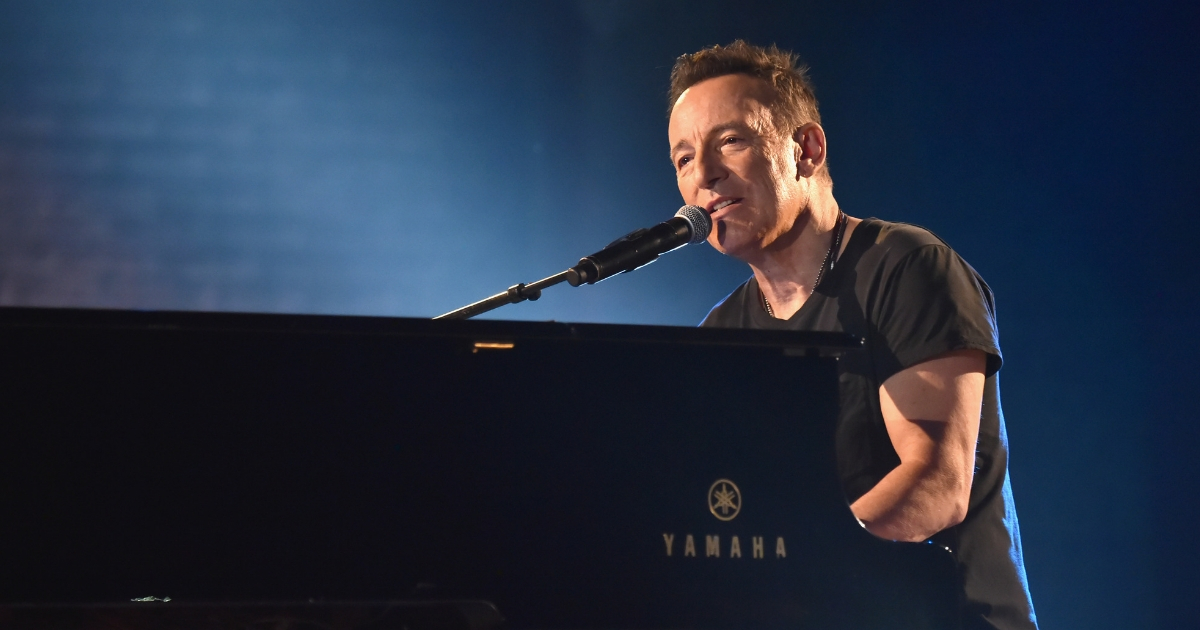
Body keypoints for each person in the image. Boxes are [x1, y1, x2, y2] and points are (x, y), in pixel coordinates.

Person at [668, 41, 1037, 630]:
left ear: (806, 150)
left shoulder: (909, 268)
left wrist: (792, 567)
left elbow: (939, 486)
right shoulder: (722, 331)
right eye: (683, 158)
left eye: (730, 141)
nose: (704, 175)